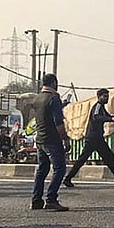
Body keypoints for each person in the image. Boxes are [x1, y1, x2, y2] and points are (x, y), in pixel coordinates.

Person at [64, 88, 114, 187]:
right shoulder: (97, 106)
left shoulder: (101, 107)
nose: (107, 98)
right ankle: (67, 178)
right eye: (105, 96)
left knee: (109, 157)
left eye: (107, 96)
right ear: (99, 97)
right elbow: (96, 117)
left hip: (97, 138)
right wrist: (111, 118)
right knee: (84, 159)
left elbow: (107, 116)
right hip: (93, 138)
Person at [31, 74, 70, 211]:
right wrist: (65, 138)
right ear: (54, 83)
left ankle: (36, 200)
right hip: (52, 139)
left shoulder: (37, 99)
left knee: (42, 170)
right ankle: (51, 199)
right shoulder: (53, 98)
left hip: (40, 139)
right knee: (60, 169)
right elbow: (58, 122)